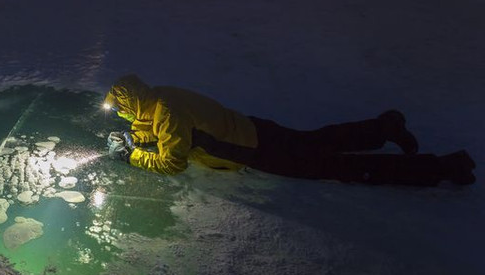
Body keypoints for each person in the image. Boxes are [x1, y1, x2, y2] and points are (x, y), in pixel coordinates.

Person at [103, 74, 476, 187]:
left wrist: (131, 155)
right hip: (254, 128)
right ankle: (384, 127)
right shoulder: (160, 97)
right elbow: (173, 126)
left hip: (252, 149)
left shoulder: (166, 113)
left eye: (120, 108)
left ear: (131, 101)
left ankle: (440, 168)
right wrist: (137, 137)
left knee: (334, 166)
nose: (120, 114)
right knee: (319, 141)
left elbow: (173, 162)